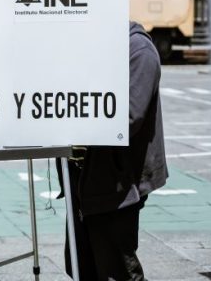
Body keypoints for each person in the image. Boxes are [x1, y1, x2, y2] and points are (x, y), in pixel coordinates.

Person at [60, 21, 168, 280]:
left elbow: (130, 116)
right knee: (80, 265)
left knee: (115, 270)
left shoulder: (138, 49)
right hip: (82, 175)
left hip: (118, 181)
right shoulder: (91, 47)